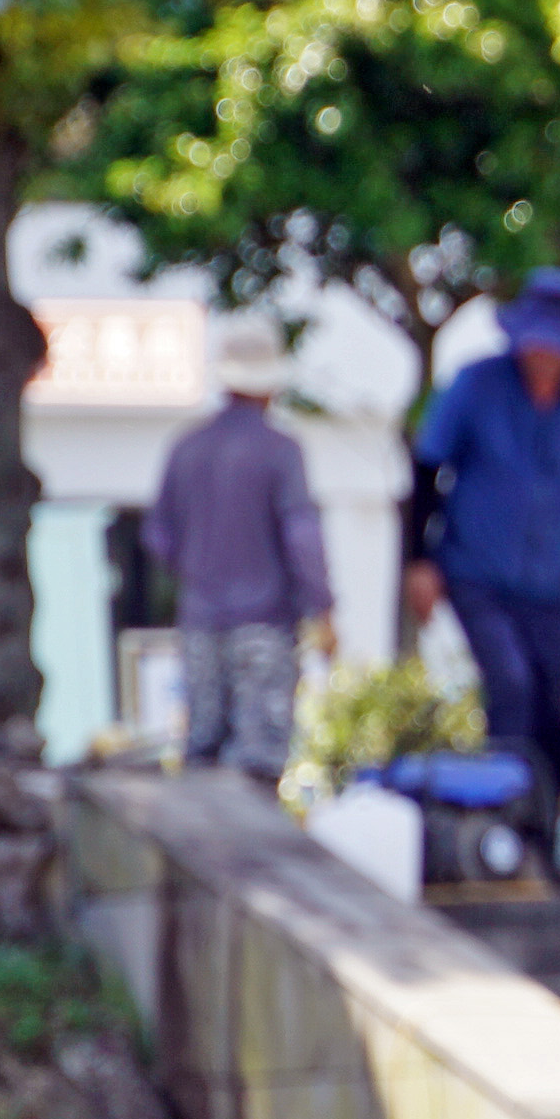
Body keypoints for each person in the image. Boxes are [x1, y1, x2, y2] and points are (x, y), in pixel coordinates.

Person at [404, 270, 560, 794]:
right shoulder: (475, 384)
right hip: (475, 568)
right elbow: (426, 469)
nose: (545, 358)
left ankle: (548, 830)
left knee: (551, 696)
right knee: (510, 682)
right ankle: (508, 815)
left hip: (551, 577)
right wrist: (418, 560)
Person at [144, 319, 335, 777]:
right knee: (257, 763)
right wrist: (322, 609)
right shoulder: (280, 451)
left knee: (201, 753)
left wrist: (194, 570)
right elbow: (301, 535)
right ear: (271, 387)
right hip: (264, 625)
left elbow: (157, 536)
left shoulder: (186, 448)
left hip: (200, 624)